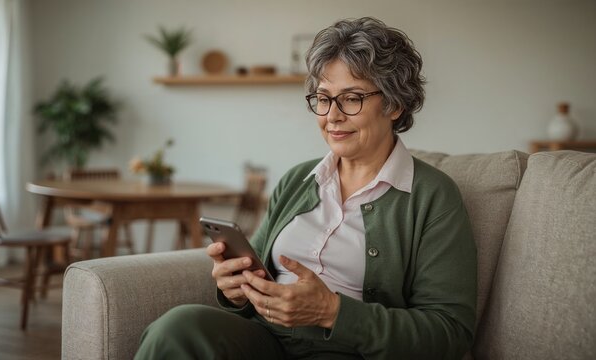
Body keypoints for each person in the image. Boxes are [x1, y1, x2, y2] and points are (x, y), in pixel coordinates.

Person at [134, 17, 477, 360]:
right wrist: (237, 291)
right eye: (323, 98)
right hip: (266, 339)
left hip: (346, 351)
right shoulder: (297, 179)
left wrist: (332, 311)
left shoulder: (433, 196)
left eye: (352, 99)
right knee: (176, 328)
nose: (332, 116)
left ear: (394, 104)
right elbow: (255, 275)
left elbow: (450, 332)